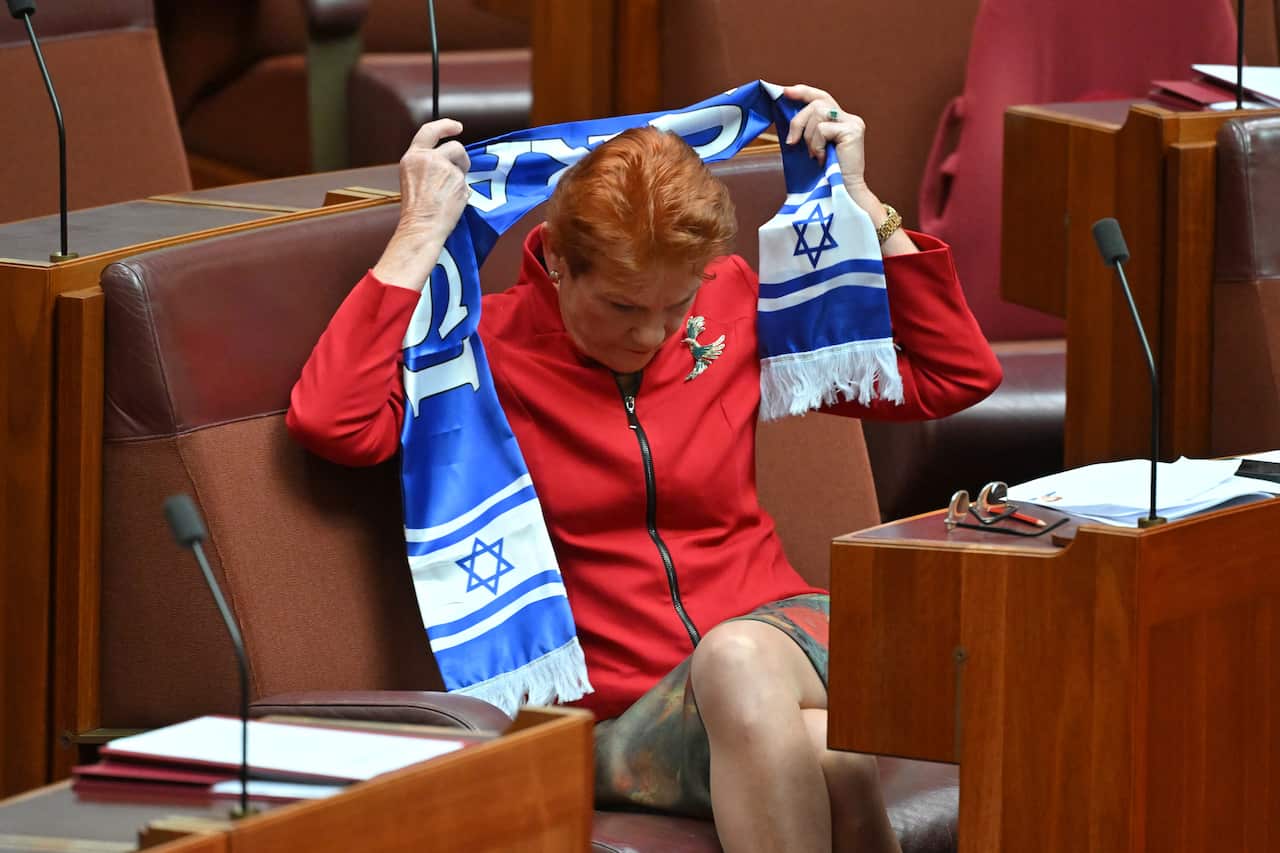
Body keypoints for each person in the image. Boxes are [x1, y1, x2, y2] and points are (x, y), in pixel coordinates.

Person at [288, 83, 1001, 853]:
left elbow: (951, 374)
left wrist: (867, 201)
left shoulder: (731, 302)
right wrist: (420, 232)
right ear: (558, 260)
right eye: (626, 308)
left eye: (676, 304)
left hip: (788, 635)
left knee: (735, 656)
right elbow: (334, 421)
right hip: (625, 715)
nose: (654, 334)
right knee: (835, 756)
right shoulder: (480, 355)